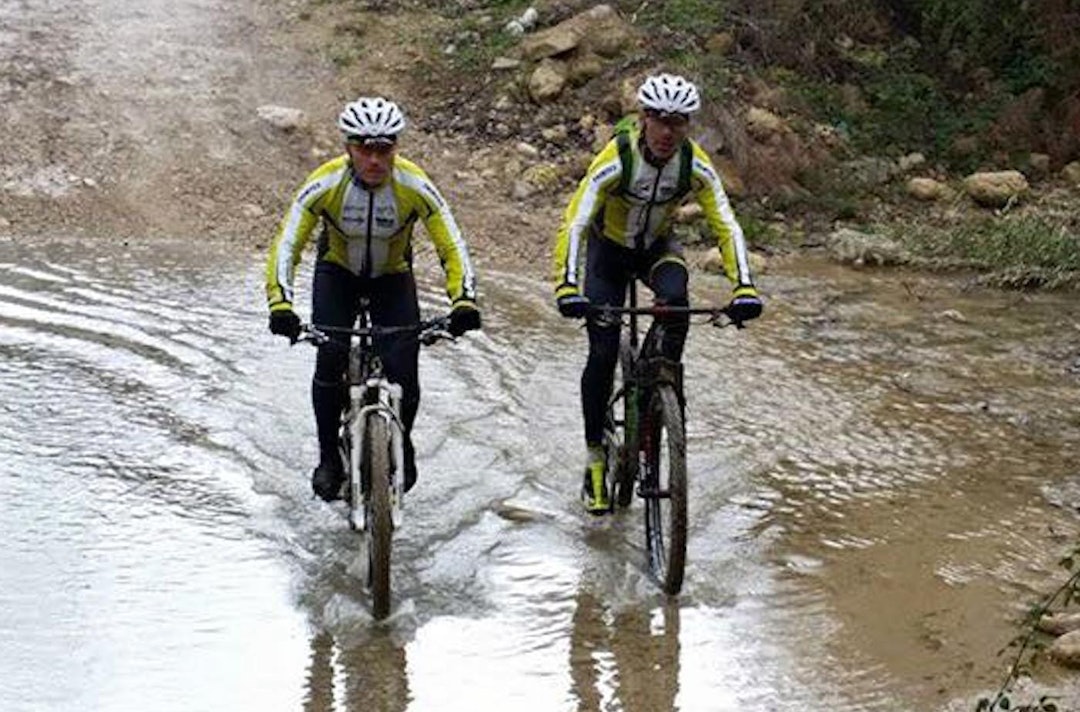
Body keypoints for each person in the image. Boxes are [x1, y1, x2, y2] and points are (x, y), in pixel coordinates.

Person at [551, 73, 763, 513]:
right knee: (603, 352)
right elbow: (576, 219)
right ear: (644, 118)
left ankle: (659, 387)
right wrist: (567, 285)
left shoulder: (694, 165)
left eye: (679, 123)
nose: (668, 132)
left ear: (688, 125)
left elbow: (725, 222)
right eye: (660, 120)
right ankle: (595, 456)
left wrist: (744, 286)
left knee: (677, 301)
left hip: (656, 249)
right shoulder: (617, 158)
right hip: (607, 254)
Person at [265, 96, 481, 502]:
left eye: (384, 148)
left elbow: (451, 244)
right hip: (337, 277)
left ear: (395, 148)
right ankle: (329, 457)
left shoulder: (414, 185)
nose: (375, 159)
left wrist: (464, 300)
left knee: (404, 366)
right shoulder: (326, 183)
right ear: (348, 147)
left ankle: (404, 441)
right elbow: (288, 241)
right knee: (329, 358)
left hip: (392, 279)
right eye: (365, 148)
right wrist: (281, 304)